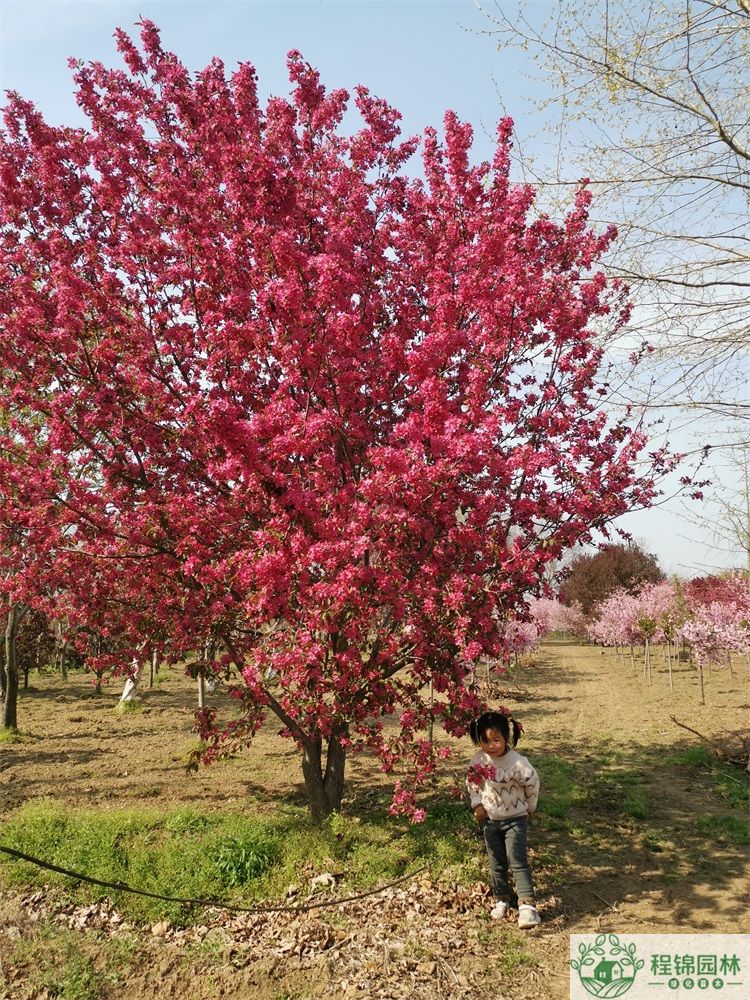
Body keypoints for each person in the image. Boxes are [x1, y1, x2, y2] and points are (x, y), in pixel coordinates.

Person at [466, 710, 541, 929]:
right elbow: (472, 781)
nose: (491, 746)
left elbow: (532, 784)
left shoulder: (518, 763)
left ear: (506, 738)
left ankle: (527, 906)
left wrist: (530, 807)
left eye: (496, 740)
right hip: (490, 820)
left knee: (517, 860)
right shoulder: (480, 759)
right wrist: (477, 804)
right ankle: (502, 899)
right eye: (485, 740)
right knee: (496, 862)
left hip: (515, 819)